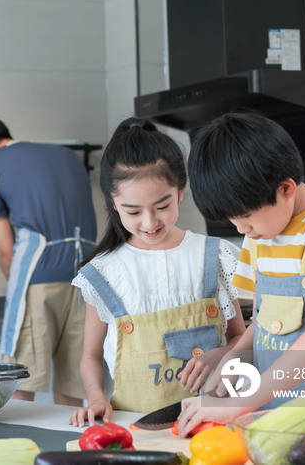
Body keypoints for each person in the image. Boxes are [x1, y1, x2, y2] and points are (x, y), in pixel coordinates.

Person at [177, 111, 305, 436]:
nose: (241, 229)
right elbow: (265, 319)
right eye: (233, 220)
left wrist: (238, 404)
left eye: (245, 216)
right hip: (279, 410)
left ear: (286, 189)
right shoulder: (264, 231)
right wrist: (233, 360)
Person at [68, 117, 246, 427]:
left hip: (214, 424)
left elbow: (240, 339)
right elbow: (91, 355)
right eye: (133, 212)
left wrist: (223, 355)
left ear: (181, 190)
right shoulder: (105, 272)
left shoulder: (214, 256)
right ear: (114, 204)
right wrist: (96, 398)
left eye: (162, 206)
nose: (150, 223)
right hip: (135, 427)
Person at [0, 116, 97, 406]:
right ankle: (68, 446)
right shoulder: (67, 156)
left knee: (19, 380)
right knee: (74, 381)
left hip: (38, 278)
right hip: (89, 278)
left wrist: (16, 291)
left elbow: (6, 250)